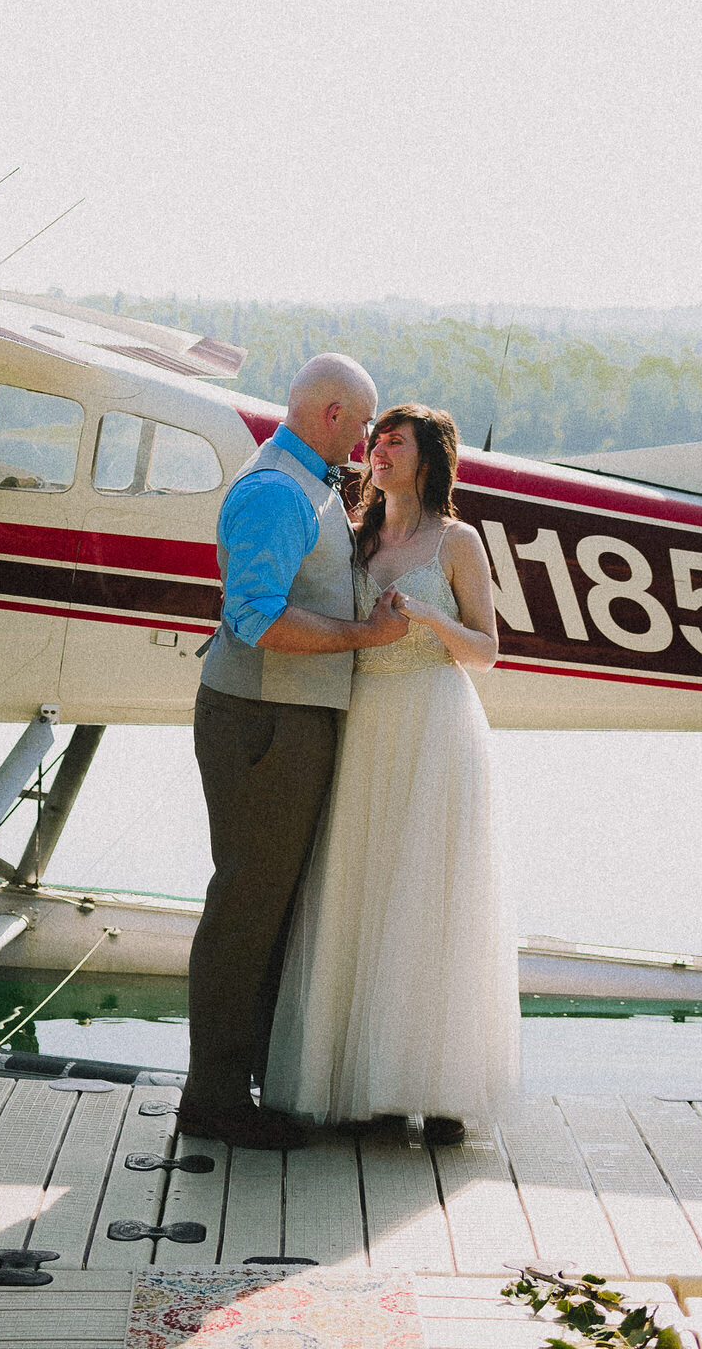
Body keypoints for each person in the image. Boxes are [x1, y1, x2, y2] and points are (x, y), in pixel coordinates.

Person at [264, 402, 520, 1140]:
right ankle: (366, 1091)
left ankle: (436, 1091)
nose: (376, 450)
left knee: (430, 903)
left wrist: (430, 622)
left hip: (438, 725)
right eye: (374, 441)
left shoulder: (459, 542)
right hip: (368, 720)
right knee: (364, 892)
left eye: (393, 441)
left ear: (428, 458)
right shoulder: (355, 536)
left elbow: (486, 651)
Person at [182, 352, 412, 1149]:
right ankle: (212, 1097)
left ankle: (246, 1083)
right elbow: (255, 618)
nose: (368, 442)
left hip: (287, 716)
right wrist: (364, 636)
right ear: (331, 415)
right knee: (247, 905)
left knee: (270, 906)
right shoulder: (278, 491)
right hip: (264, 719)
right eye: (363, 424)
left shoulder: (309, 484)